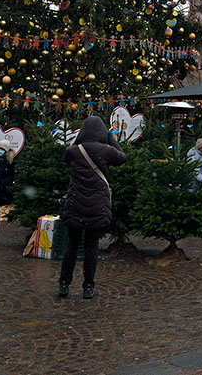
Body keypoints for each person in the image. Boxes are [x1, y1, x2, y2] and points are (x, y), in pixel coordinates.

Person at [59, 115, 127, 299]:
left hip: (75, 204)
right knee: (91, 246)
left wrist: (79, 139)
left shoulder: (73, 151)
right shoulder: (106, 150)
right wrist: (110, 138)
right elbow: (123, 157)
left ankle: (64, 284)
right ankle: (88, 286)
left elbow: (67, 158)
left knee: (71, 245)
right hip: (97, 205)